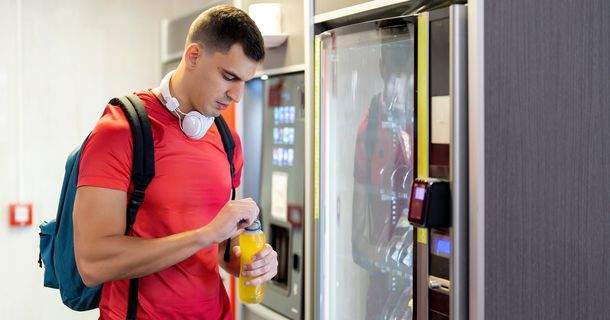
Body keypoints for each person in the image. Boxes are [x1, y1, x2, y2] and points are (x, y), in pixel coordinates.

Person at [72, 5, 278, 320]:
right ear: (194, 55)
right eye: (228, 77)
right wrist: (205, 234)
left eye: (244, 82)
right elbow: (93, 264)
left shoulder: (227, 140)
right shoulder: (120, 131)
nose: (236, 95)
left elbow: (223, 253)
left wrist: (249, 261)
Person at [351, 20, 415, 319]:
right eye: (392, 71)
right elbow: (357, 241)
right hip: (381, 291)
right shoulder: (372, 122)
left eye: (405, 72)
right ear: (381, 67)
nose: (398, 84)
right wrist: (388, 258)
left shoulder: (434, 117)